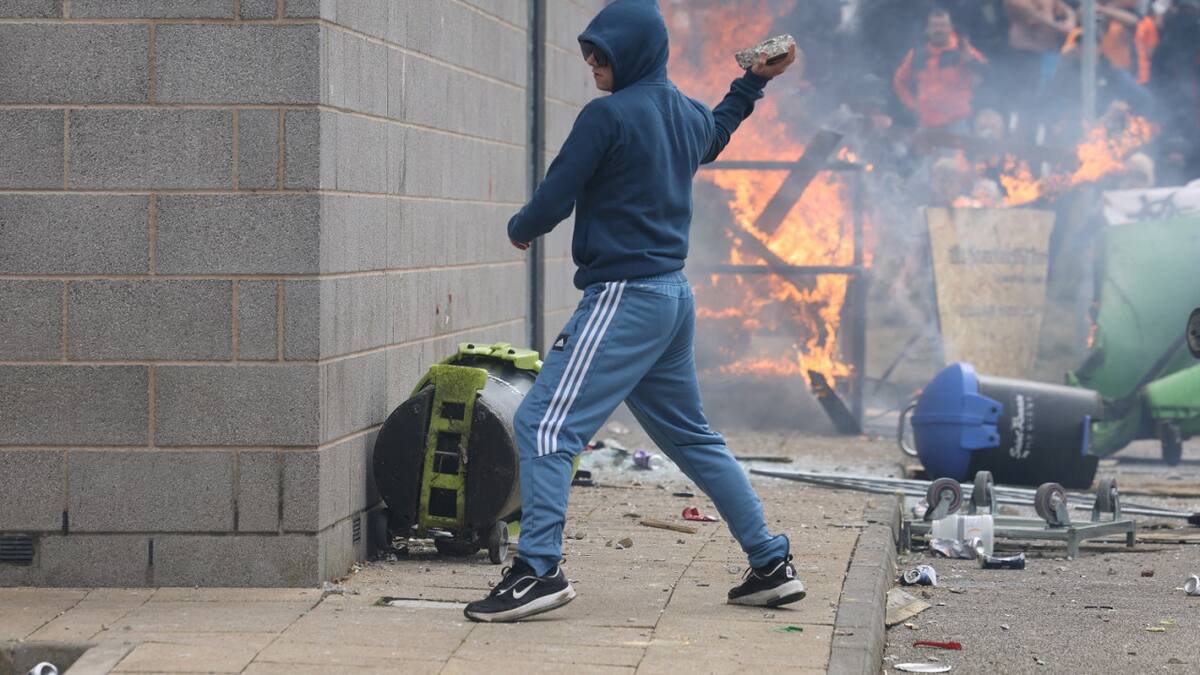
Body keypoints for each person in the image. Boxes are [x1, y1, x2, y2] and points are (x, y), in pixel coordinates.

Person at [463, 0, 802, 623]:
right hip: (672, 298)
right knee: (693, 439)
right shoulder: (685, 115)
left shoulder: (607, 117)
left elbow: (555, 194)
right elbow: (720, 128)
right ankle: (770, 562)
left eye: (603, 53)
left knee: (543, 424)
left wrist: (521, 228)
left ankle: (538, 569)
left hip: (625, 297)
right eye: (589, 53)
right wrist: (752, 80)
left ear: (632, 52)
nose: (592, 63)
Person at [893, 8, 988, 131]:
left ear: (950, 28)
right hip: (926, 124)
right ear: (928, 29)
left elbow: (986, 73)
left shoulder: (962, 49)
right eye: (935, 26)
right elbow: (899, 81)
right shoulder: (917, 54)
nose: (939, 30)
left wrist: (969, 60)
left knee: (957, 150)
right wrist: (912, 104)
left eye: (943, 25)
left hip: (957, 123)